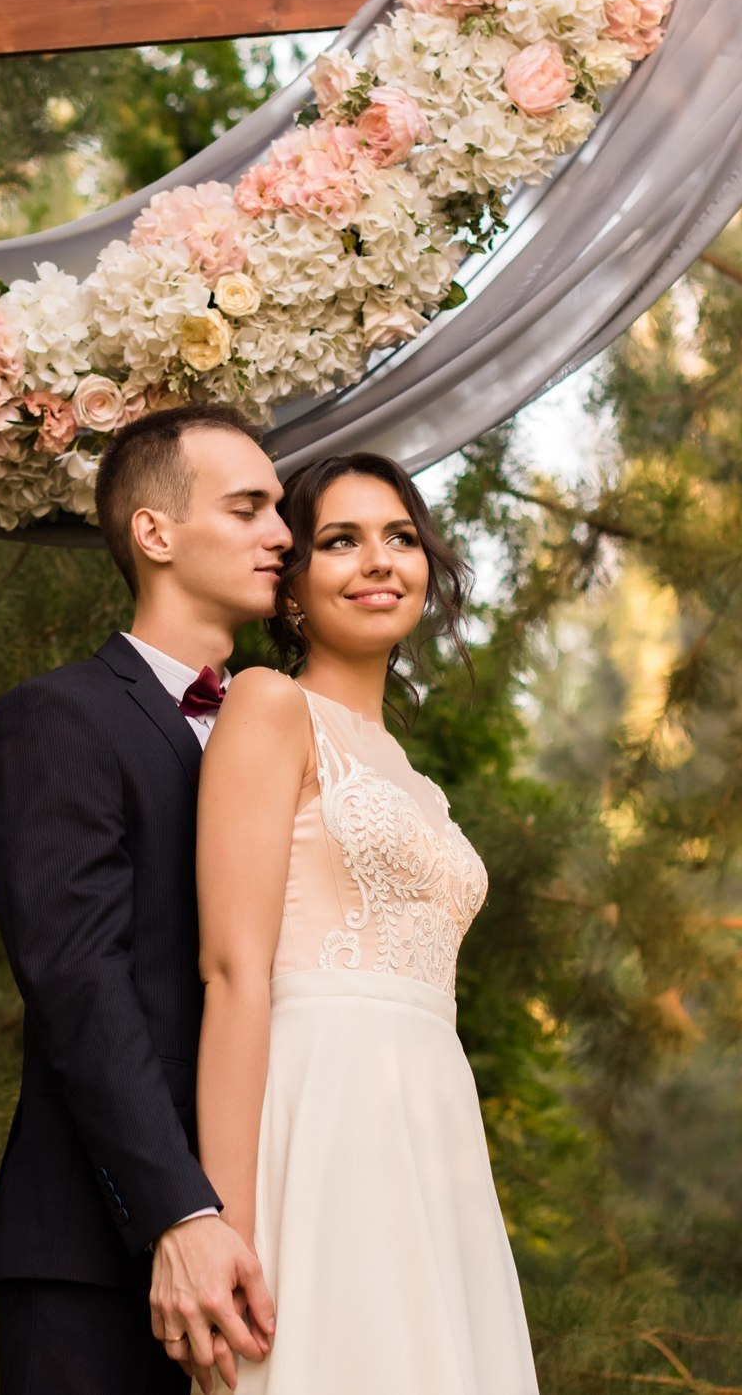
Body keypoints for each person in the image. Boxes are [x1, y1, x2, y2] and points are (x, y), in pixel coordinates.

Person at [186, 452, 539, 1395]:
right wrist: (220, 1218)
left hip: (433, 1125)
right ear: (292, 582)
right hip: (322, 1111)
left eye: (400, 538)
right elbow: (231, 972)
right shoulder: (268, 706)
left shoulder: (413, 777)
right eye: (340, 541)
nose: (378, 561)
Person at [0, 404, 290, 1395]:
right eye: (247, 509)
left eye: (280, 510)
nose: (280, 533)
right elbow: (79, 981)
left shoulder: (284, 731)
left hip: (277, 1224)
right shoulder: (57, 717)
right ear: (155, 533)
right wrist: (177, 1212)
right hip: (100, 1249)